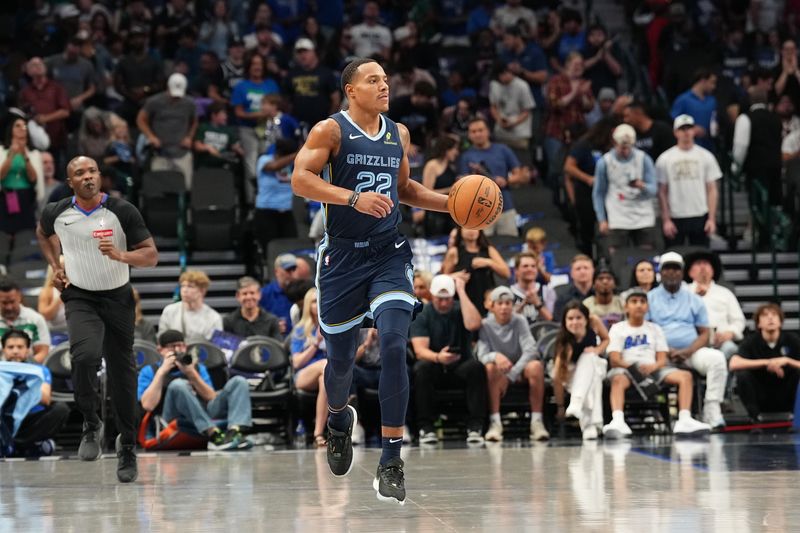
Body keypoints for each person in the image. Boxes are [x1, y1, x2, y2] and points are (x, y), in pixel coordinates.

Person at [291, 58, 454, 505]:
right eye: (373, 80)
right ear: (350, 90)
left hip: (389, 255)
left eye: (385, 80)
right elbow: (300, 180)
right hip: (342, 259)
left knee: (395, 345)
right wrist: (352, 198)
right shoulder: (331, 130)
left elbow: (405, 190)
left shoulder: (398, 134)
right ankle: (340, 418)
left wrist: (452, 205)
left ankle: (391, 460)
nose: (384, 86)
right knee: (340, 364)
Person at [36, 155, 158, 483]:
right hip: (80, 295)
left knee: (122, 373)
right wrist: (55, 266)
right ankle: (91, 423)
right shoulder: (57, 211)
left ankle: (127, 445)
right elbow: (42, 232)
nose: (88, 177)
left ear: (99, 176)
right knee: (84, 355)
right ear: (70, 182)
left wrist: (122, 255)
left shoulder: (122, 211)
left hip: (118, 297)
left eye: (92, 171)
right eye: (80, 173)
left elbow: (151, 255)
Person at [603, 289, 712, 438]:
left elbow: (661, 359)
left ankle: (684, 419)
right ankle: (618, 421)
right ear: (626, 307)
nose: (639, 305)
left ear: (647, 307)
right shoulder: (618, 328)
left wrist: (653, 367)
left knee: (685, 376)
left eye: (642, 302)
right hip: (626, 369)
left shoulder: (655, 329)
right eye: (634, 302)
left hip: (652, 368)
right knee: (617, 379)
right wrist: (632, 368)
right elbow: (615, 360)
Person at [646, 252, 728, 429]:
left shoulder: (694, 299)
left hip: (691, 352)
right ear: (661, 273)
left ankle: (712, 409)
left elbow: (704, 333)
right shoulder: (649, 298)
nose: (672, 273)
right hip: (659, 353)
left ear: (682, 273)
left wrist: (688, 351)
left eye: (676, 269)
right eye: (667, 269)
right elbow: (646, 329)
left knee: (717, 359)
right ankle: (652, 416)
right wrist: (665, 350)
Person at [138, 329, 251, 451]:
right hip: (170, 418)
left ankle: (234, 432)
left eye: (180, 346)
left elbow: (212, 398)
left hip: (202, 413)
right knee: (178, 385)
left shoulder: (197, 368)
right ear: (160, 350)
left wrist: (191, 374)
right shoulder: (150, 371)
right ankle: (212, 434)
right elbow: (148, 405)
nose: (177, 350)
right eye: (171, 347)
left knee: (239, 381)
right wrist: (161, 372)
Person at [411, 274, 486, 444]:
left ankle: (476, 425)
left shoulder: (461, 309)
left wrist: (461, 290)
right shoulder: (422, 313)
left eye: (448, 299)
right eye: (439, 299)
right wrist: (438, 357)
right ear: (432, 295)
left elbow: (474, 324)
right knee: (421, 369)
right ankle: (426, 427)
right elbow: (420, 350)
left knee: (477, 367)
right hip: (435, 364)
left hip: (460, 365)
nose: (444, 303)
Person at [479, 286, 549, 442]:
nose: (504, 307)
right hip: (498, 371)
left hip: (519, 369)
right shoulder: (485, 325)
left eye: (508, 303)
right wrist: (495, 355)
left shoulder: (520, 320)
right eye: (500, 303)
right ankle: (495, 422)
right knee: (489, 367)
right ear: (493, 306)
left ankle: (537, 422)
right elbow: (482, 356)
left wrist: (512, 374)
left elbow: (531, 350)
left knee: (536, 366)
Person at [656, 115, 722, 248]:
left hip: (699, 214)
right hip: (676, 215)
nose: (686, 132)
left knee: (700, 255)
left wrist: (711, 219)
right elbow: (662, 192)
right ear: (675, 133)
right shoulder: (664, 159)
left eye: (689, 128)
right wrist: (666, 219)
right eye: (682, 129)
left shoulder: (706, 156)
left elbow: (712, 189)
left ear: (694, 131)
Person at [1, 329, 69, 456]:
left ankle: (13, 445)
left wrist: (19, 391)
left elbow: (45, 398)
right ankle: (30, 446)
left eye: (20, 347)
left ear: (27, 350)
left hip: (29, 417)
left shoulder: (39, 371)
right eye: (10, 347)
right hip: (4, 417)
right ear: (4, 350)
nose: (15, 351)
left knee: (61, 409)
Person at [592, 124, 657, 255]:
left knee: (646, 255)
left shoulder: (644, 159)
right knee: (617, 255)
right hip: (618, 216)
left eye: (628, 148)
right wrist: (602, 219)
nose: (625, 151)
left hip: (643, 216)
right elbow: (598, 193)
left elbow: (653, 189)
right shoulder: (605, 162)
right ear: (615, 143)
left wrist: (642, 185)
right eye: (622, 147)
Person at [730, 303, 800, 422]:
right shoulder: (751, 341)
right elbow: (733, 364)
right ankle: (754, 418)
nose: (770, 318)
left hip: (786, 395)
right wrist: (768, 362)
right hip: (761, 395)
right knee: (742, 375)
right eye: (765, 316)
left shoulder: (792, 339)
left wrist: (787, 361)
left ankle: (796, 418)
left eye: (774, 315)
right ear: (758, 323)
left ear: (780, 321)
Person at [457, 117, 525, 237]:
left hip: (505, 207)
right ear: (469, 135)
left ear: (488, 131)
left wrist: (506, 181)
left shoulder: (503, 150)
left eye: (480, 130)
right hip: (478, 212)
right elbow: (461, 184)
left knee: (510, 243)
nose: (477, 134)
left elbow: (520, 175)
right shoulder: (466, 156)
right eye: (473, 131)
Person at [552, 300, 609, 440]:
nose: (574, 322)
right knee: (593, 383)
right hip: (572, 378)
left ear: (586, 318)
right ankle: (593, 425)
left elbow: (606, 339)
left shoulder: (594, 322)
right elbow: (557, 376)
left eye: (579, 318)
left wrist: (596, 350)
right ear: (564, 321)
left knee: (588, 357)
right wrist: (560, 406)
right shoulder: (563, 342)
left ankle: (577, 403)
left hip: (595, 366)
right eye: (570, 318)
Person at [136, 72, 198, 190]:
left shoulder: (190, 103)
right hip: (161, 152)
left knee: (186, 187)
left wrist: (189, 137)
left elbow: (195, 121)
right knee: (159, 188)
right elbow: (140, 119)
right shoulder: (154, 102)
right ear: (168, 87)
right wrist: (151, 136)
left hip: (181, 152)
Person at [685, 251, 745, 359]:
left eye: (706, 264)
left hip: (721, 342)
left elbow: (738, 320)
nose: (703, 267)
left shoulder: (725, 293)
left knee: (732, 350)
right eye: (698, 264)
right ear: (690, 272)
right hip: (692, 343)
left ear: (713, 271)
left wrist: (730, 333)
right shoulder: (684, 292)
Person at [290, 288, 329, 447]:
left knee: (325, 377)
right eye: (313, 301)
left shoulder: (331, 327)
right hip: (303, 375)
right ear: (307, 305)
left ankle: (318, 433)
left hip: (326, 373)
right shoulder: (300, 330)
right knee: (327, 367)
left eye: (319, 300)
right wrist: (316, 343)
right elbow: (297, 362)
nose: (317, 305)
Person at [442, 228, 511, 315]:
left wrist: (488, 262)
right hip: (463, 301)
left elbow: (506, 273)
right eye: (468, 228)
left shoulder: (489, 250)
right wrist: (454, 276)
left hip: (486, 300)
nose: (472, 231)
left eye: (475, 228)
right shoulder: (454, 252)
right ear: (460, 230)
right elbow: (442, 279)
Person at [0, 118, 45, 235]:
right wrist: (11, 156)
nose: (22, 128)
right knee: (5, 233)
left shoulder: (34, 153)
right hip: (6, 196)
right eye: (18, 125)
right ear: (11, 130)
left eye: (24, 126)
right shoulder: (1, 151)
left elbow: (34, 179)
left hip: (26, 197)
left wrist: (25, 156)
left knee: (26, 234)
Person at [254, 137, 299, 252]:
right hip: (266, 212)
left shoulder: (293, 164)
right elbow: (274, 167)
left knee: (292, 248)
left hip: (286, 212)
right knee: (270, 250)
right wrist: (296, 154)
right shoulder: (264, 160)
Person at [159, 270, 223, 343]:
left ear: (202, 291)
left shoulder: (214, 318)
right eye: (182, 286)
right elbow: (162, 341)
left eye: (190, 286)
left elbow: (217, 348)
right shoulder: (169, 311)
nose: (184, 290)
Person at [0, 278, 51, 364]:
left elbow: (43, 352)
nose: (9, 307)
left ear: (20, 297)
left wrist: (25, 368)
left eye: (12, 302)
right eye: (4, 303)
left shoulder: (35, 319)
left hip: (29, 369)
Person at [670, 67, 718, 152]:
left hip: (710, 146)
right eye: (712, 83)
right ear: (703, 81)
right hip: (689, 146)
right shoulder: (683, 100)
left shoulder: (712, 100)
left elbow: (714, 119)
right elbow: (673, 121)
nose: (713, 86)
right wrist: (692, 128)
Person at [420, 135, 459, 237]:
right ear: (446, 149)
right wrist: (450, 189)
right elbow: (426, 191)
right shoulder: (432, 165)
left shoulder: (452, 167)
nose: (456, 152)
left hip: (449, 211)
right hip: (435, 213)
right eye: (454, 149)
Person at [193, 102, 244, 169]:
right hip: (204, 163)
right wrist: (208, 148)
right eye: (223, 114)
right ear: (213, 115)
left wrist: (239, 150)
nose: (225, 117)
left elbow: (234, 146)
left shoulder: (228, 130)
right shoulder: (203, 127)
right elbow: (197, 146)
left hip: (223, 163)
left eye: (226, 114)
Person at [259, 253, 300, 335]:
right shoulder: (264, 294)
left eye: (293, 269)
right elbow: (255, 321)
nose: (291, 273)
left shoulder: (302, 291)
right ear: (277, 271)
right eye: (288, 270)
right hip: (273, 342)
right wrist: (271, 327)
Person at [509, 251, 555, 323]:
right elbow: (506, 322)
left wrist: (537, 303)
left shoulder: (547, 291)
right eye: (525, 266)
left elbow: (553, 321)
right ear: (516, 270)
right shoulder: (508, 293)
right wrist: (523, 304)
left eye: (533, 266)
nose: (530, 269)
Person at [554, 254, 595, 321]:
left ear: (593, 271)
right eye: (578, 269)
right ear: (571, 273)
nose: (582, 271)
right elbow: (558, 323)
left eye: (586, 268)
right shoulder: (563, 299)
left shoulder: (601, 295)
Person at [38, 261, 67, 334]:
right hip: (54, 332)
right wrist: (60, 298)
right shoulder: (47, 291)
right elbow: (44, 317)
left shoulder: (78, 289)